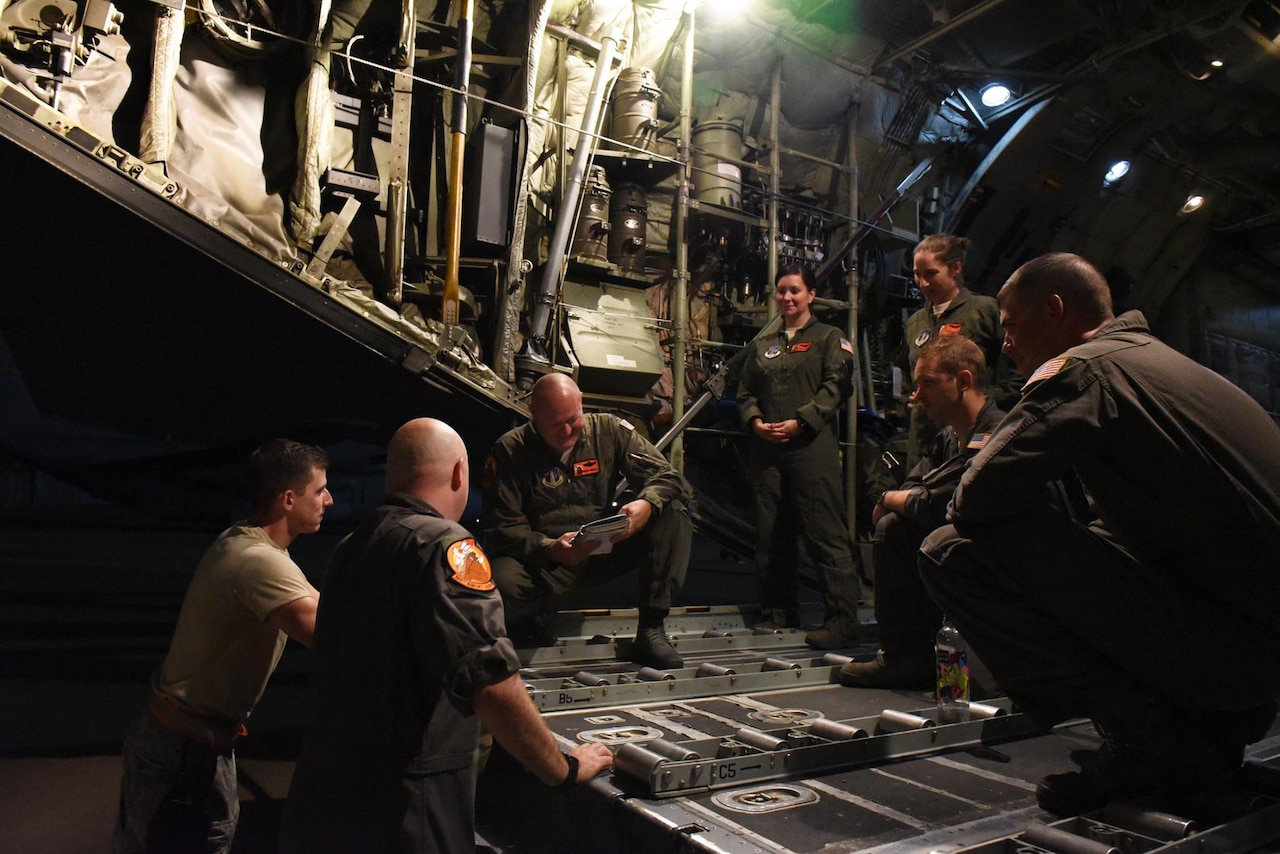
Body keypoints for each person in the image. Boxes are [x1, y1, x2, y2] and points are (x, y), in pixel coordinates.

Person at [918, 252, 1280, 814]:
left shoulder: (1087, 370)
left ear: (1056, 310)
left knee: (950, 550)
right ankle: (1200, 735)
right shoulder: (1156, 362)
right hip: (1252, 645)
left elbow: (977, 495)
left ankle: (1150, 739)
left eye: (1012, 325)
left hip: (1232, 650)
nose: (1005, 344)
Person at [280, 418, 613, 853]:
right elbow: (490, 682)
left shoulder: (350, 548)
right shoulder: (444, 546)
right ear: (460, 473)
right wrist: (563, 769)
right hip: (403, 818)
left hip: (323, 804)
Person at [112, 439, 332, 854]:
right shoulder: (259, 562)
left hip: (193, 742)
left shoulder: (250, 544)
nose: (329, 499)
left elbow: (325, 607)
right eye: (320, 490)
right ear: (288, 499)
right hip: (184, 754)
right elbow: (331, 633)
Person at [481, 373, 694, 669]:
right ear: (533, 413)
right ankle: (531, 621)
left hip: (601, 548)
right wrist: (549, 548)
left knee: (672, 509)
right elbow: (502, 527)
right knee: (497, 580)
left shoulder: (608, 431)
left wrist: (645, 503)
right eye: (556, 424)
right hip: (546, 563)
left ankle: (651, 629)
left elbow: (668, 477)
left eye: (574, 419)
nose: (568, 431)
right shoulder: (510, 450)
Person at [839, 336, 1004, 688]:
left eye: (928, 383)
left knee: (903, 521)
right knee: (894, 527)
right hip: (952, 552)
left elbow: (938, 501)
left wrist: (888, 497)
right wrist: (894, 499)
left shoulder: (997, 433)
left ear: (962, 381)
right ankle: (906, 657)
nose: (917, 395)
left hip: (996, 560)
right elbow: (916, 490)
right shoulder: (947, 437)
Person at [736, 263, 861, 650]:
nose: (787, 298)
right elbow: (745, 393)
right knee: (771, 533)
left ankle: (841, 620)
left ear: (811, 295)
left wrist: (800, 422)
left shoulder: (829, 338)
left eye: (794, 291)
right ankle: (776, 613)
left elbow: (836, 386)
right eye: (781, 291)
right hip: (768, 450)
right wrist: (755, 422)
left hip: (811, 448)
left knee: (825, 532)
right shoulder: (763, 344)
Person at [902, 234, 1020, 469]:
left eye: (931, 274)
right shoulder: (915, 322)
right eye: (917, 274)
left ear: (955, 268)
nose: (922, 283)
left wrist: (985, 400)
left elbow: (1021, 369)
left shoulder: (984, 311)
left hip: (972, 433)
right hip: (924, 437)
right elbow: (910, 376)